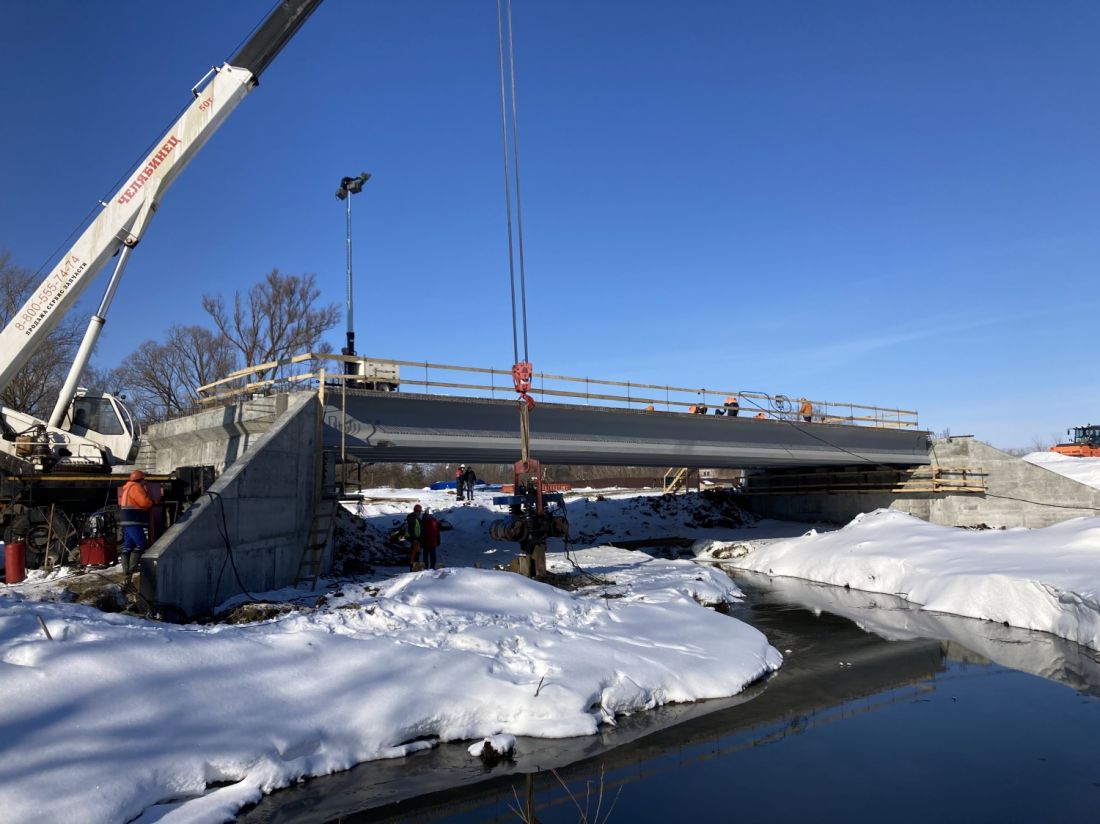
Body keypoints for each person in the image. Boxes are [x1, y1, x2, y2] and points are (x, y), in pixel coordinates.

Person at [117, 469, 153, 584]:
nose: (145, 482)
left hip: (126, 519)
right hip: (134, 520)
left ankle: (126, 570)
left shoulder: (127, 487)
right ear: (140, 479)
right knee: (141, 544)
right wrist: (152, 501)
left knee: (128, 545)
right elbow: (145, 503)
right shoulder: (137, 488)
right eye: (144, 480)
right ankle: (132, 568)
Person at [406, 504, 423, 571]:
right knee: (414, 554)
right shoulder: (413, 518)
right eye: (420, 511)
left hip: (416, 539)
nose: (420, 513)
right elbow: (411, 529)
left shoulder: (415, 518)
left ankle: (415, 568)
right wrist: (414, 539)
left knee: (416, 554)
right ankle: (413, 569)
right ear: (417, 511)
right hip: (414, 539)